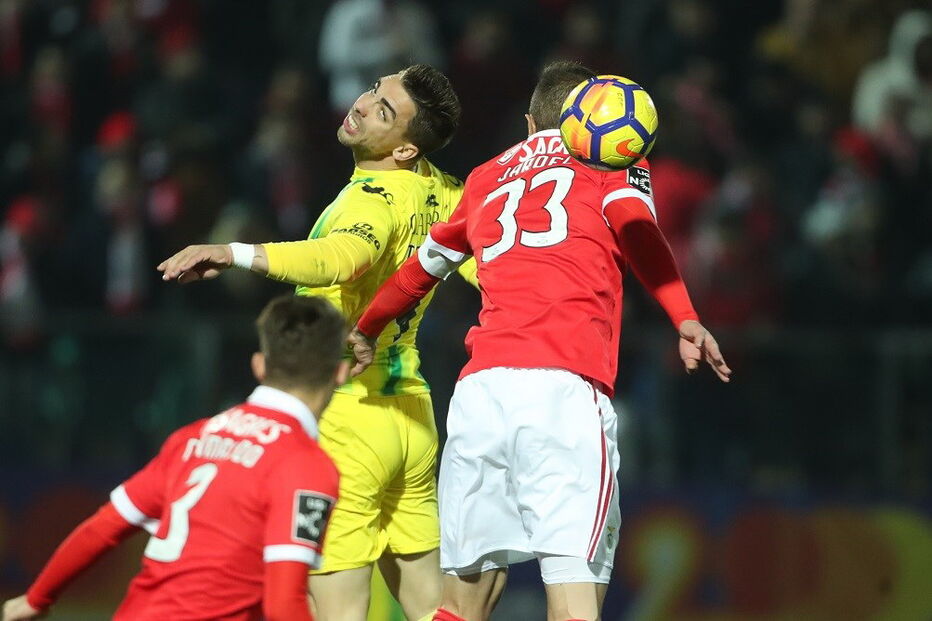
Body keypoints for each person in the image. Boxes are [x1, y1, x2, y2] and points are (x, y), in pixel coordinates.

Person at [348, 61, 732, 621]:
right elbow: (638, 231)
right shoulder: (610, 157)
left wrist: (365, 329)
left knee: (459, 605)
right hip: (562, 392)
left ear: (530, 122)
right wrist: (685, 317)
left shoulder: (485, 178)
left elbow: (417, 272)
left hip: (480, 396)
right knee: (575, 599)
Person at [156, 64, 474, 620]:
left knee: (336, 610)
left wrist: (234, 253)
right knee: (432, 608)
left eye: (383, 111)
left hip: (348, 417)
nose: (361, 105)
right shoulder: (443, 190)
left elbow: (342, 257)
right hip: (412, 416)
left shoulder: (370, 200)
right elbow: (492, 263)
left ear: (405, 149)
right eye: (373, 90)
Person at [2, 295, 348, 621]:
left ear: (259, 365)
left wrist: (35, 598)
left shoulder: (194, 438)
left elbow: (103, 527)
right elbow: (283, 603)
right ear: (341, 372)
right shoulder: (305, 466)